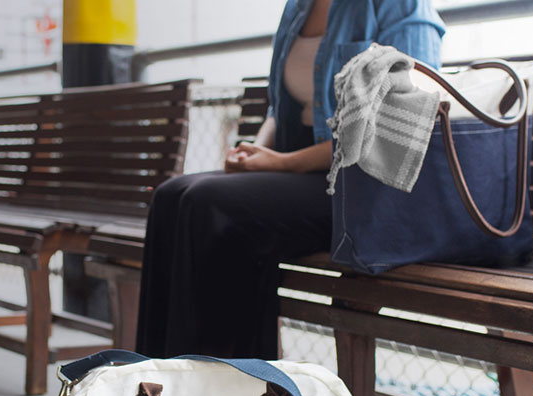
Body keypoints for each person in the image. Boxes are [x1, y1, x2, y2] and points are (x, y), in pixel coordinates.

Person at [135, 0, 445, 360]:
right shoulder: (298, 6)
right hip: (298, 171)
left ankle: (225, 394)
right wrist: (256, 152)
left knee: (209, 204)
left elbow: (404, 122)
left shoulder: (400, 5)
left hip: (361, 189)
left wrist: (285, 164)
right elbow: (278, 107)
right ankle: (157, 384)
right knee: (171, 196)